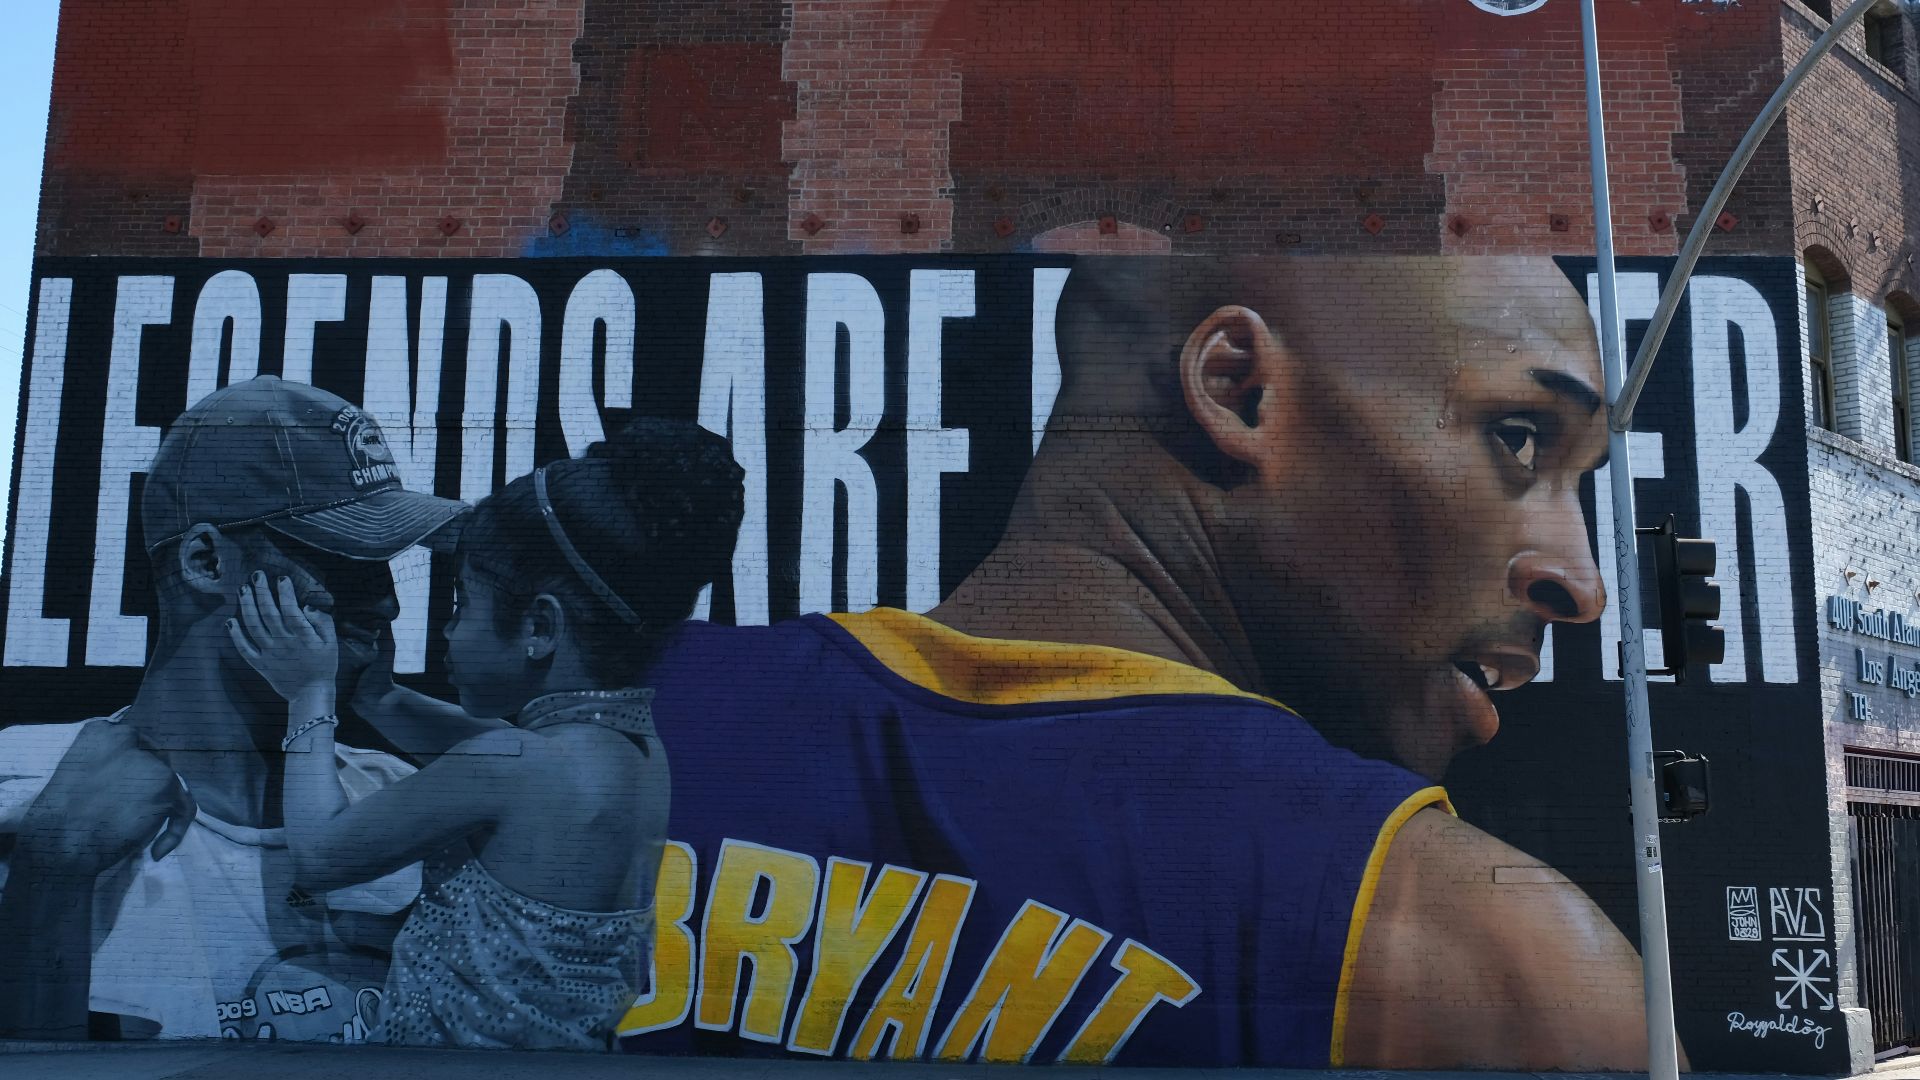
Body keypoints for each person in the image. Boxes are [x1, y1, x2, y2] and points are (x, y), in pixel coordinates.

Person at [627, 255, 1648, 1068]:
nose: (1582, 583)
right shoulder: (1500, 957)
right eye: (1519, 439)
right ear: (1238, 388)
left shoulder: (594, 723)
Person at [227, 418, 742, 1051]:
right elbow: (502, 758)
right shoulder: (632, 756)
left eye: (460, 607)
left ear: (539, 628)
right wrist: (380, 697)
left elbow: (320, 857)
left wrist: (309, 693)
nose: (446, 633)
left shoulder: (508, 763)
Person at [0, 375, 473, 1041]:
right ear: (205, 562)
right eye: (340, 558)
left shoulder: (401, 807)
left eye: (385, 563)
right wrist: (53, 873)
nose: (387, 601)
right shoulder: (25, 794)